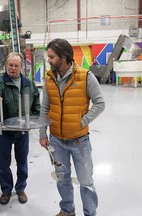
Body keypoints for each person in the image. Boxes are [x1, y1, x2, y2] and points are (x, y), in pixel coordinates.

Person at [39, 39, 105, 216]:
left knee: (86, 182)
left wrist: (81, 122)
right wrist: (42, 133)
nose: (49, 60)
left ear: (64, 56)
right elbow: (45, 107)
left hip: (79, 141)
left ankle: (90, 213)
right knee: (62, 179)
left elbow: (100, 103)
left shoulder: (85, 76)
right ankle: (67, 211)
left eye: (52, 57)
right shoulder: (49, 77)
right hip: (56, 141)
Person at [0, 52, 40, 205]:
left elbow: (36, 102)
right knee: (4, 163)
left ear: (21, 67)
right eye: (10, 65)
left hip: (22, 130)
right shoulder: (0, 81)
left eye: (16, 66)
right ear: (6, 65)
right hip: (4, 130)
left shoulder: (28, 84)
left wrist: (34, 120)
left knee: (22, 161)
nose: (13, 68)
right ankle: (6, 190)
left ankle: (21, 188)